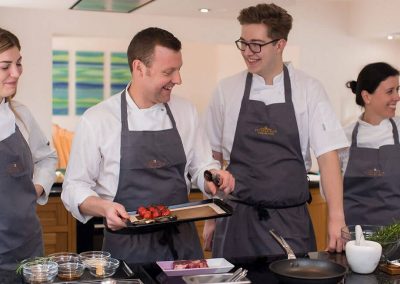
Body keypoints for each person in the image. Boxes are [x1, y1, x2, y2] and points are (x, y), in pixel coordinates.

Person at [61, 27, 235, 263]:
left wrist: (212, 176)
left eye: (179, 70)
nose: (178, 80)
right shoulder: (98, 119)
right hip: (127, 248)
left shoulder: (186, 111)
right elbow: (74, 187)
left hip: (182, 247)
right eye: (169, 72)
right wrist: (103, 208)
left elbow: (201, 164)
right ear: (139, 68)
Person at [203, 3, 349, 258]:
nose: (248, 52)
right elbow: (213, 158)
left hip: (289, 222)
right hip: (236, 220)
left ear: (280, 44)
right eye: (243, 43)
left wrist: (336, 218)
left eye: (256, 44)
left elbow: (328, 159)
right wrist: (211, 214)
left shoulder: (309, 90)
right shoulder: (226, 90)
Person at [0, 28, 57, 270]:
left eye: (19, 63)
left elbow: (47, 158)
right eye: (5, 66)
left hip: (28, 246)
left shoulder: (20, 114)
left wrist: (35, 188)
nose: (16, 73)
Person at [341, 62, 400, 226]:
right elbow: (329, 191)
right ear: (367, 97)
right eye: (390, 91)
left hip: (397, 236)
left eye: (398, 89)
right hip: (354, 237)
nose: (397, 96)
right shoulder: (343, 137)